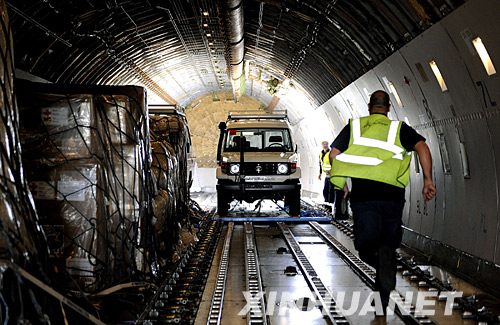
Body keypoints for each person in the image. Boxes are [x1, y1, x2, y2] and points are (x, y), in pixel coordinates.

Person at [329, 90, 437, 315]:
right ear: (388, 108)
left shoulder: (355, 127)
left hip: (365, 198)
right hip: (393, 198)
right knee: (387, 246)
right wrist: (428, 180)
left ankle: (381, 265)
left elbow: (334, 153)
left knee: (367, 247)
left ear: (369, 107)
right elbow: (422, 147)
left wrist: (343, 182)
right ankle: (381, 301)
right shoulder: (399, 129)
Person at [319, 141, 349, 219]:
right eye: (324, 144)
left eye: (326, 144)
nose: (325, 146)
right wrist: (320, 173)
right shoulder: (321, 154)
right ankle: (329, 208)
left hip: (333, 176)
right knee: (326, 191)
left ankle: (336, 212)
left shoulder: (331, 153)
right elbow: (321, 164)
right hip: (328, 175)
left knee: (331, 192)